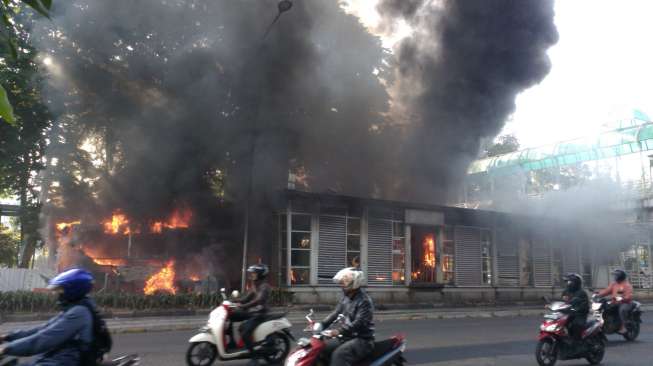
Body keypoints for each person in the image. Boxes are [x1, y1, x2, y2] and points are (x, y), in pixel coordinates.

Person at [0, 268, 96, 366]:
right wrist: (7, 337)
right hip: (58, 356)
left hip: (67, 360)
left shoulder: (79, 312)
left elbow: (43, 339)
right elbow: (42, 329)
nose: (56, 293)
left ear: (72, 290)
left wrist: (6, 349)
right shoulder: (73, 308)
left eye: (60, 289)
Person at [320, 267, 374, 366]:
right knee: (320, 348)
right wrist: (321, 324)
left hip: (362, 340)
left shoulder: (364, 301)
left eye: (344, 282)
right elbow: (335, 313)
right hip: (347, 337)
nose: (341, 285)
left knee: (339, 355)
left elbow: (359, 323)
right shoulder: (346, 297)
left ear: (354, 283)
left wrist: (338, 331)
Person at [232, 264, 271, 366]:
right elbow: (246, 298)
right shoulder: (255, 285)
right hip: (254, 312)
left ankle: (255, 357)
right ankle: (233, 344)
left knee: (245, 332)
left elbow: (259, 300)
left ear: (260, 275)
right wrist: (233, 301)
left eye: (254, 274)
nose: (251, 275)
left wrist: (244, 306)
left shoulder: (264, 287)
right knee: (233, 317)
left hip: (260, 313)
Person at [597, 269, 633, 334]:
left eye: (616, 276)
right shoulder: (614, 284)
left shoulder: (627, 285)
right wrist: (598, 295)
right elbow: (606, 291)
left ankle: (624, 326)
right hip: (615, 302)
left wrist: (622, 298)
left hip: (625, 303)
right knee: (603, 308)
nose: (615, 277)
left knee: (622, 310)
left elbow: (628, 296)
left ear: (620, 276)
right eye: (615, 276)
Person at [561, 273, 589, 342]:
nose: (568, 283)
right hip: (568, 312)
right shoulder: (566, 291)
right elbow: (562, 300)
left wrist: (576, 308)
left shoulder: (581, 292)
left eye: (570, 282)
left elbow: (581, 305)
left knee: (575, 325)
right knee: (559, 323)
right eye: (567, 282)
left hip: (580, 314)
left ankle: (577, 342)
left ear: (575, 283)